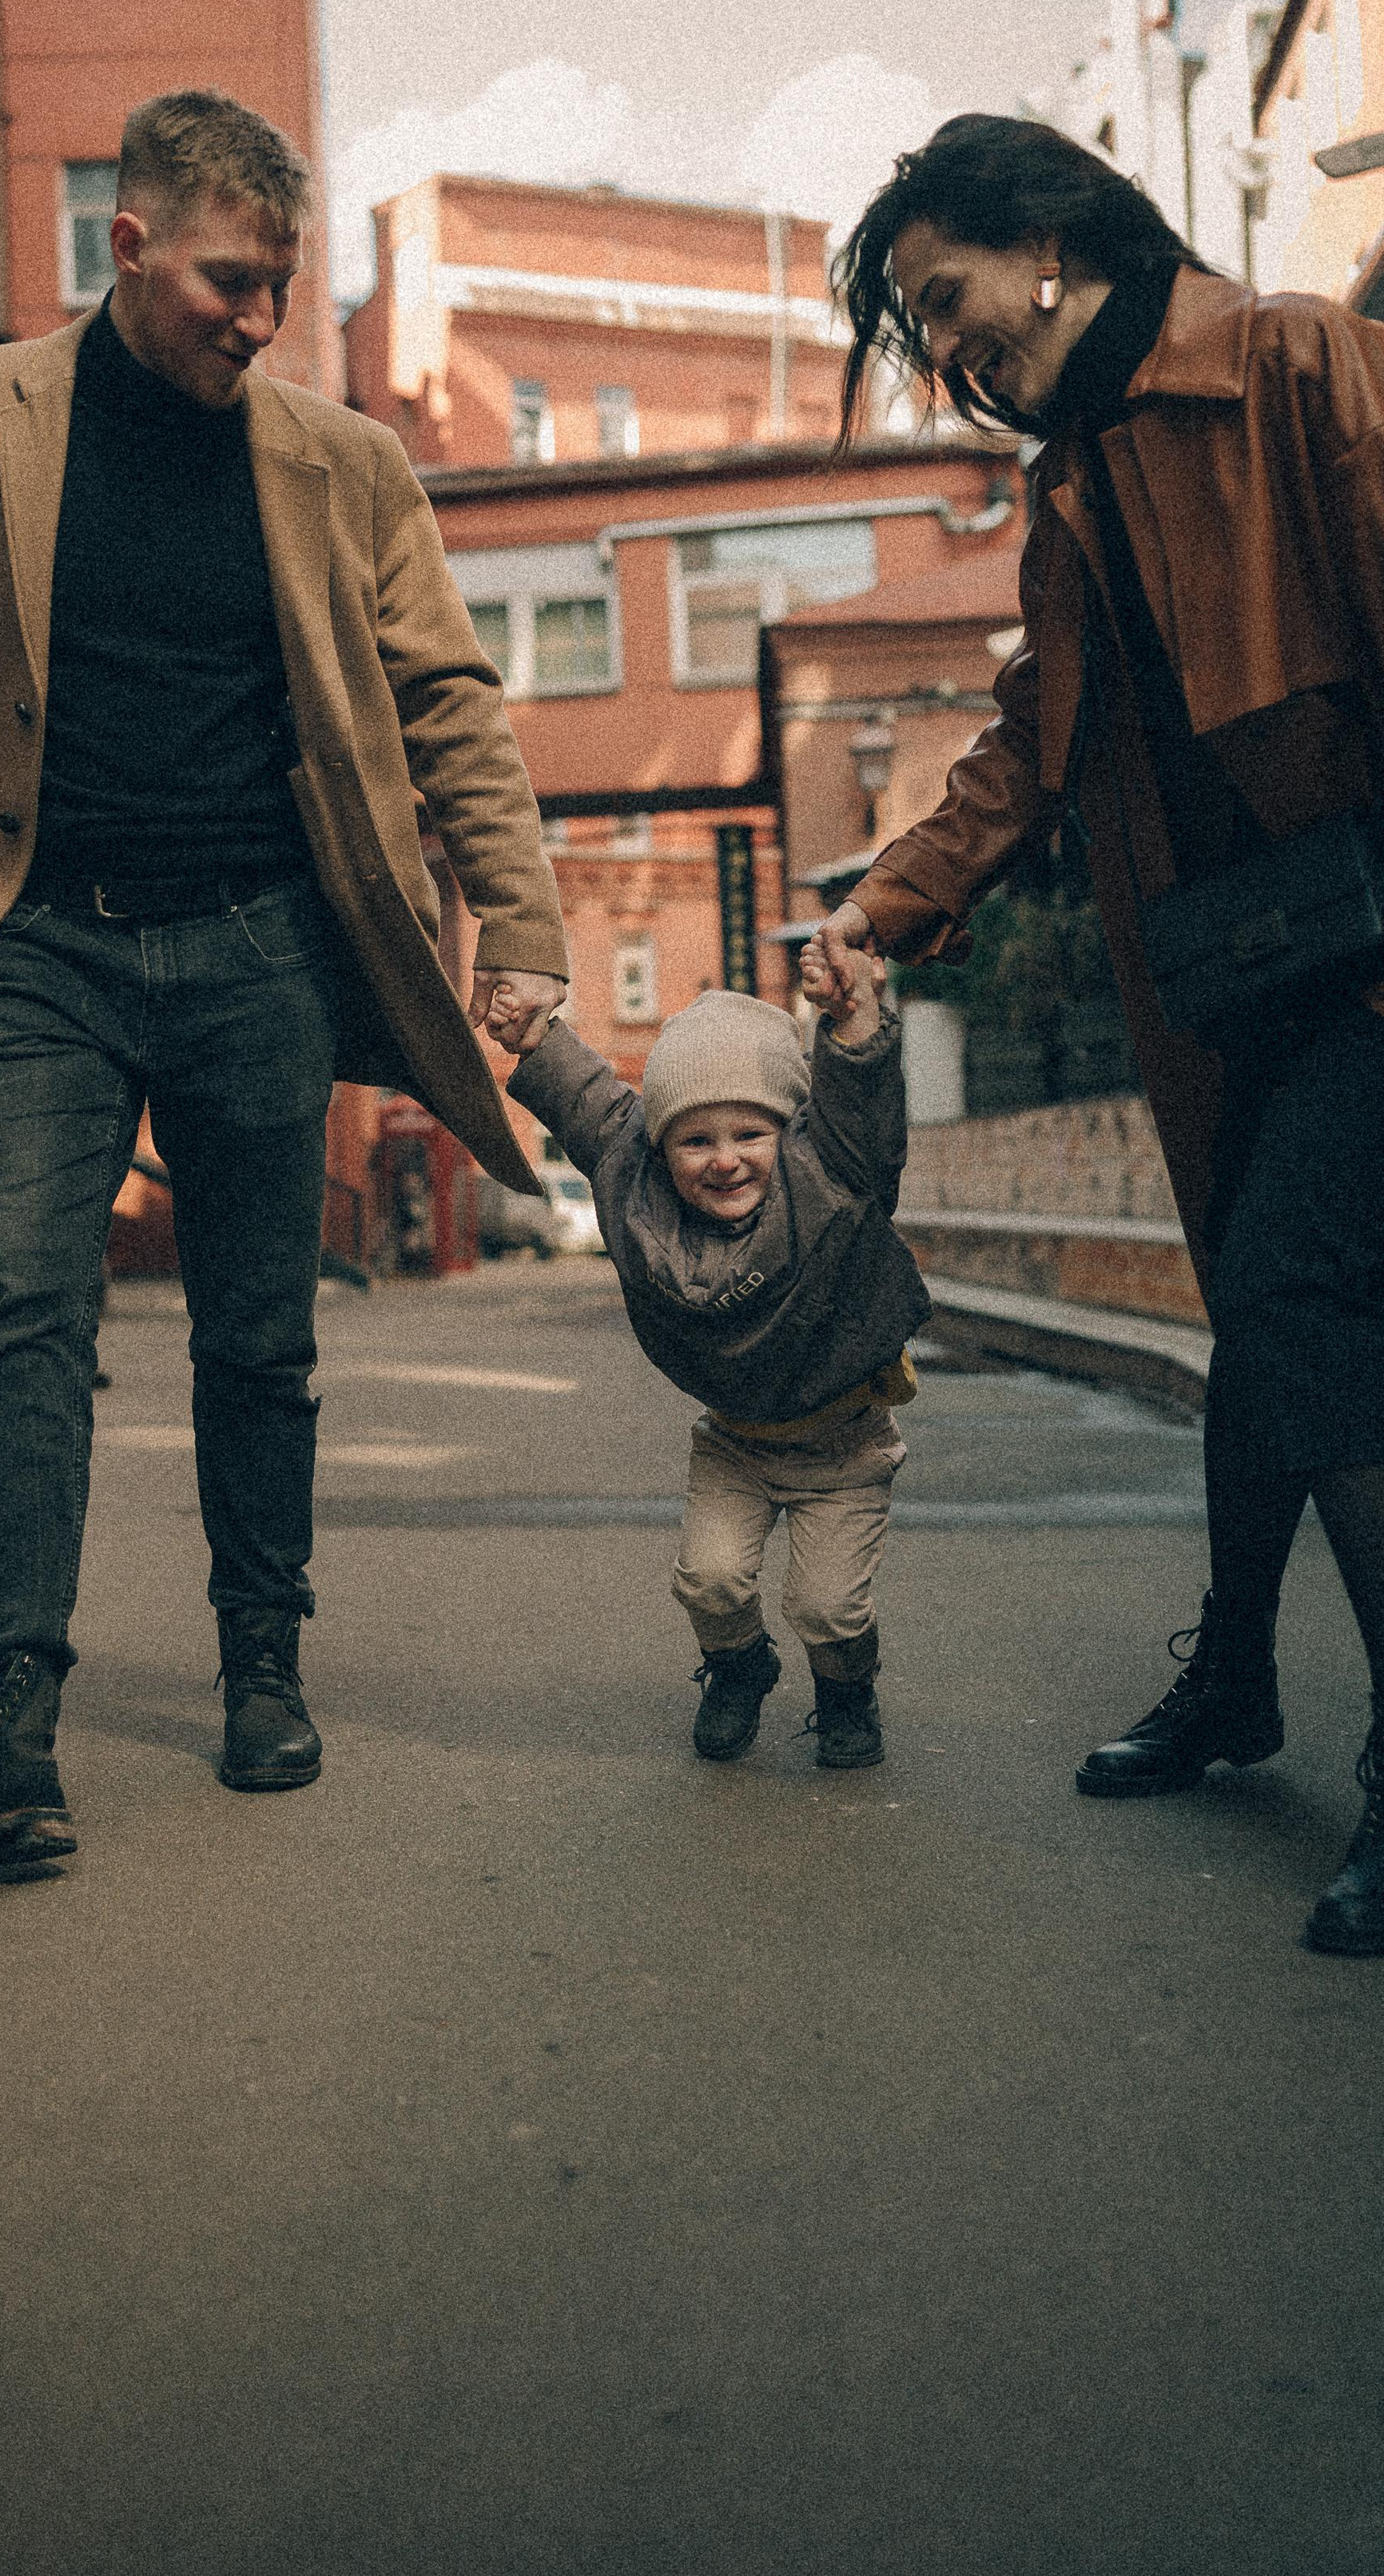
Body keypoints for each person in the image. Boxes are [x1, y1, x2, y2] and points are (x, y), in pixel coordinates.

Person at [0, 91, 567, 1865]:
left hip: (260, 943)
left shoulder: (340, 465)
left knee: (254, 1334)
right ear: (125, 248)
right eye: (224, 281)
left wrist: (518, 920)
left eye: (277, 285)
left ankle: (259, 1662)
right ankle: (0, 1722)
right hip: (29, 937)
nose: (256, 319)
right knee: (25, 1310)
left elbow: (447, 706)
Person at [809, 111, 1384, 1956]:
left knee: (1291, 1296)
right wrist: (880, 909)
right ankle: (1232, 1679)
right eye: (921, 325)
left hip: (1373, 952)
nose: (948, 348)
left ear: (1047, 238)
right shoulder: (1076, 487)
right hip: (1241, 979)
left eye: (946, 296)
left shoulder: (1297, 364)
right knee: (1266, 1318)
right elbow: (1030, 742)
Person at [506, 946, 929, 1768]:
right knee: (708, 1580)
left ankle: (846, 1691)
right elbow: (594, 1105)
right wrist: (533, 1034)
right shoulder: (638, 1181)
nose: (723, 1156)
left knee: (827, 1608)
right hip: (735, 1441)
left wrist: (854, 1023)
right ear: (660, 1150)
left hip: (843, 1440)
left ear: (790, 1129)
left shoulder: (833, 1173)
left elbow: (862, 1107)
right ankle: (739, 1667)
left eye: (750, 1131)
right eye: (694, 1139)